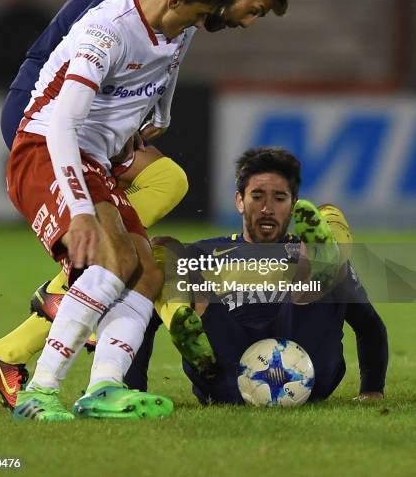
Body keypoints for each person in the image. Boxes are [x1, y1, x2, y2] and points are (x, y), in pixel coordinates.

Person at [0, 0, 289, 409]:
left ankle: (84, 367)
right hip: (51, 111)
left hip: (99, 129)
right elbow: (77, 73)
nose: (247, 22)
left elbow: (168, 53)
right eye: (254, 10)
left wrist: (156, 107)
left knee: (156, 221)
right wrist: (81, 209)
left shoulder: (184, 8)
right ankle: (67, 301)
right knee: (113, 258)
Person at [151, 147, 388, 404]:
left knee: (326, 227)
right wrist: (133, 386)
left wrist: (371, 390)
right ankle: (189, 328)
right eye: (257, 196)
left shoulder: (308, 249)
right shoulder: (203, 253)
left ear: (293, 205)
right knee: (164, 249)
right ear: (239, 201)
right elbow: (145, 320)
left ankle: (318, 273)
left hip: (308, 361)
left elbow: (369, 325)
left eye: (279, 198)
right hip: (226, 368)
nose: (267, 208)